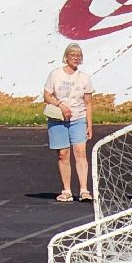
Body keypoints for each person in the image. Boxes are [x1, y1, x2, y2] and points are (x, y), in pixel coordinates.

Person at [43, 43, 94, 202]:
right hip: (58, 119)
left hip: (78, 119)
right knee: (63, 154)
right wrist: (61, 105)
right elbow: (47, 95)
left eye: (78, 56)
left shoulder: (84, 78)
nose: (76, 58)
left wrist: (89, 124)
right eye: (72, 55)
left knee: (80, 152)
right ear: (66, 57)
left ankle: (84, 190)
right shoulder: (55, 74)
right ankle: (66, 190)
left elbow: (88, 103)